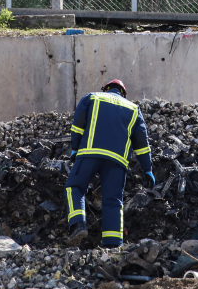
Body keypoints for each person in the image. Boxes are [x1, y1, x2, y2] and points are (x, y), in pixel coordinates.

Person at [65, 79, 154, 248]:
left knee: (75, 187)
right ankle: (113, 245)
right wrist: (147, 168)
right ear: (123, 93)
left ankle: (78, 225)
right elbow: (142, 144)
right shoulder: (134, 109)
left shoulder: (92, 98)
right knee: (113, 201)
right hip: (117, 161)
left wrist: (75, 148)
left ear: (106, 89)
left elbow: (77, 126)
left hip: (90, 153)